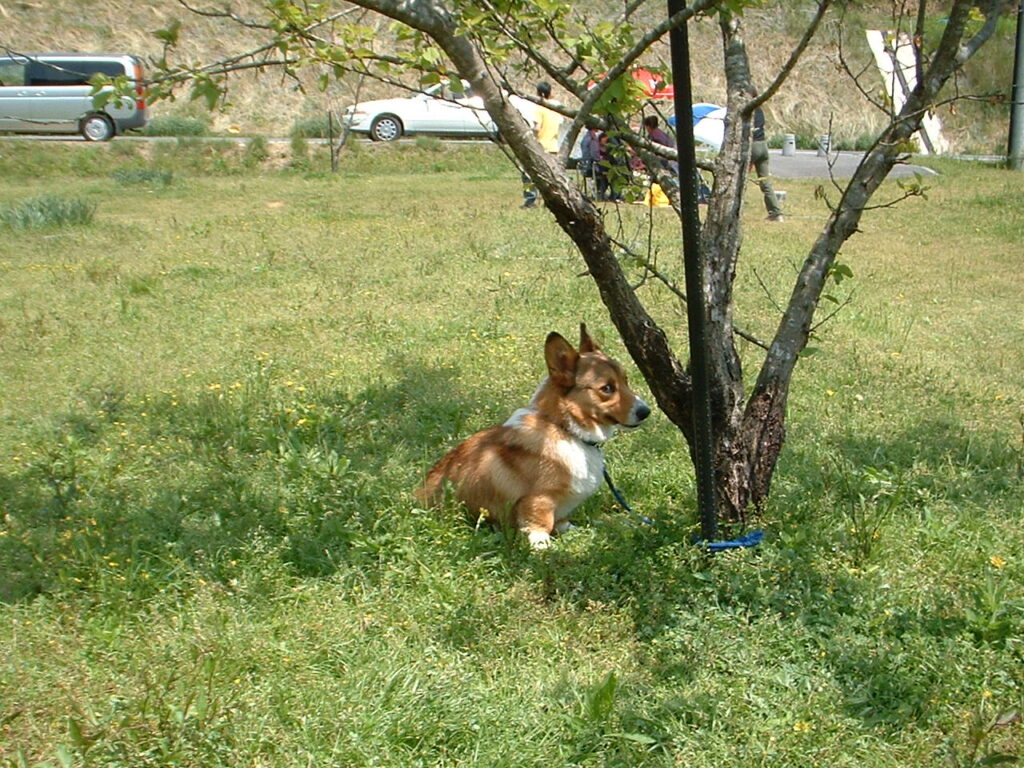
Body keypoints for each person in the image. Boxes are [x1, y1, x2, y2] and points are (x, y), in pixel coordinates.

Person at [521, 81, 563, 209]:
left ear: (540, 93)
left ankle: (530, 199)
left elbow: (537, 128)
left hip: (540, 146)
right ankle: (552, 200)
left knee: (527, 174)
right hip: (553, 146)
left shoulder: (540, 109)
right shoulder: (556, 109)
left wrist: (527, 132)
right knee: (551, 176)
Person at [749, 87, 784, 222]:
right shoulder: (759, 110)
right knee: (765, 181)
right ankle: (776, 213)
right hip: (763, 146)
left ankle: (734, 208)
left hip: (752, 146)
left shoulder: (748, 111)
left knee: (738, 179)